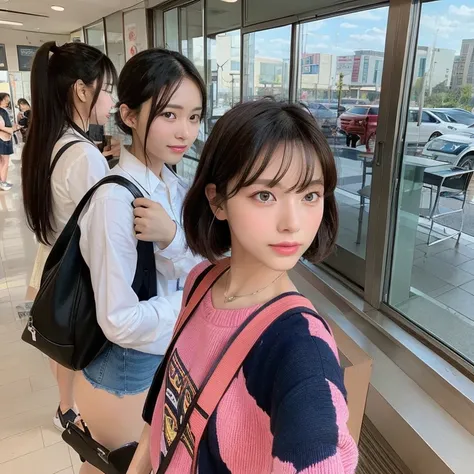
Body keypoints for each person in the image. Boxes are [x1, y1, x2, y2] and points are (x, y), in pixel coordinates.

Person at [129, 100, 358, 474]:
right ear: (218, 200)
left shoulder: (301, 350)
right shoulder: (202, 281)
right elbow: (168, 408)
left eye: (309, 196)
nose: (293, 223)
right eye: (265, 195)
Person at [74, 48, 206, 474]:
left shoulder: (172, 183)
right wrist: (191, 305)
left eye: (194, 115)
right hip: (127, 374)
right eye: (169, 114)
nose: (184, 131)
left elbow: (196, 262)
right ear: (129, 116)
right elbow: (119, 320)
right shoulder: (116, 199)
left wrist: (171, 239)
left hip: (163, 360)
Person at [21, 41, 117, 431]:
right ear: (82, 90)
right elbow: (102, 228)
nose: (111, 99)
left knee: (56, 346)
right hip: (73, 273)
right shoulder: (83, 155)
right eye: (107, 88)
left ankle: (66, 406)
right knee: (72, 350)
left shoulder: (46, 141)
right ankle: (72, 409)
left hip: (46, 264)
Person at [0, 93, 20, 191]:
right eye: (6, 99)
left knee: (2, 162)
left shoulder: (4, 111)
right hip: (3, 139)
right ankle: (3, 182)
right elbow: (1, 126)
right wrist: (12, 129)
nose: (8, 100)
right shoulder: (2, 111)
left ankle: (2, 181)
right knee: (5, 162)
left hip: (3, 138)